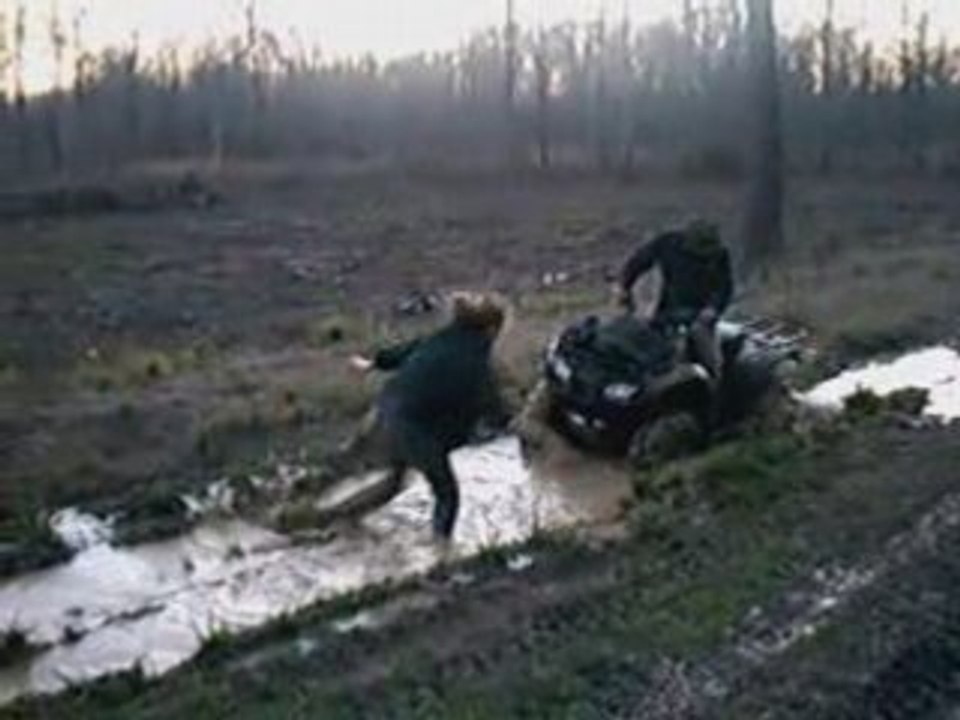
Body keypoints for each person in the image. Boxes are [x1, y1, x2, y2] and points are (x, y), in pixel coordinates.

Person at [277, 292, 509, 542]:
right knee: (445, 494)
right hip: (412, 427)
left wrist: (374, 362)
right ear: (492, 329)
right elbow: (488, 405)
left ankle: (295, 502)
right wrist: (507, 421)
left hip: (386, 407)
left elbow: (405, 351)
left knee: (353, 464)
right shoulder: (476, 361)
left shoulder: (440, 339)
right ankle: (440, 550)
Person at [615, 219, 733, 380]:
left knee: (704, 343)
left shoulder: (719, 255)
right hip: (670, 306)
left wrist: (713, 308)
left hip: (701, 311)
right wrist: (624, 286)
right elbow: (639, 262)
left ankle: (716, 381)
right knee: (652, 343)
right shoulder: (668, 244)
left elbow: (724, 287)